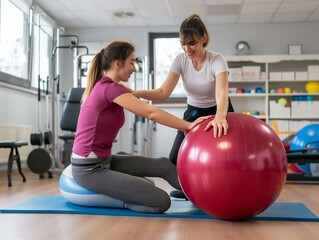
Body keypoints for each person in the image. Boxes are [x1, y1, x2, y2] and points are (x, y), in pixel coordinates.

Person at [71, 40, 209, 214]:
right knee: (161, 201)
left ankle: (206, 197)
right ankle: (122, 202)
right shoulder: (107, 88)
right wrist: (187, 125)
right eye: (131, 62)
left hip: (105, 161)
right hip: (89, 169)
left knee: (163, 165)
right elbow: (150, 112)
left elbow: (147, 104)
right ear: (117, 63)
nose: (134, 68)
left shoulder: (110, 88)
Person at [127, 14, 235, 199]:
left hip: (220, 109)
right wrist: (135, 93)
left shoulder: (217, 60)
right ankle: (190, 189)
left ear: (204, 38)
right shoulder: (181, 60)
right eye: (183, 44)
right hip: (193, 111)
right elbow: (163, 93)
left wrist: (220, 116)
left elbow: (221, 93)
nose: (187, 49)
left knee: (224, 156)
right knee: (174, 159)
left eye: (192, 43)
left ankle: (222, 190)